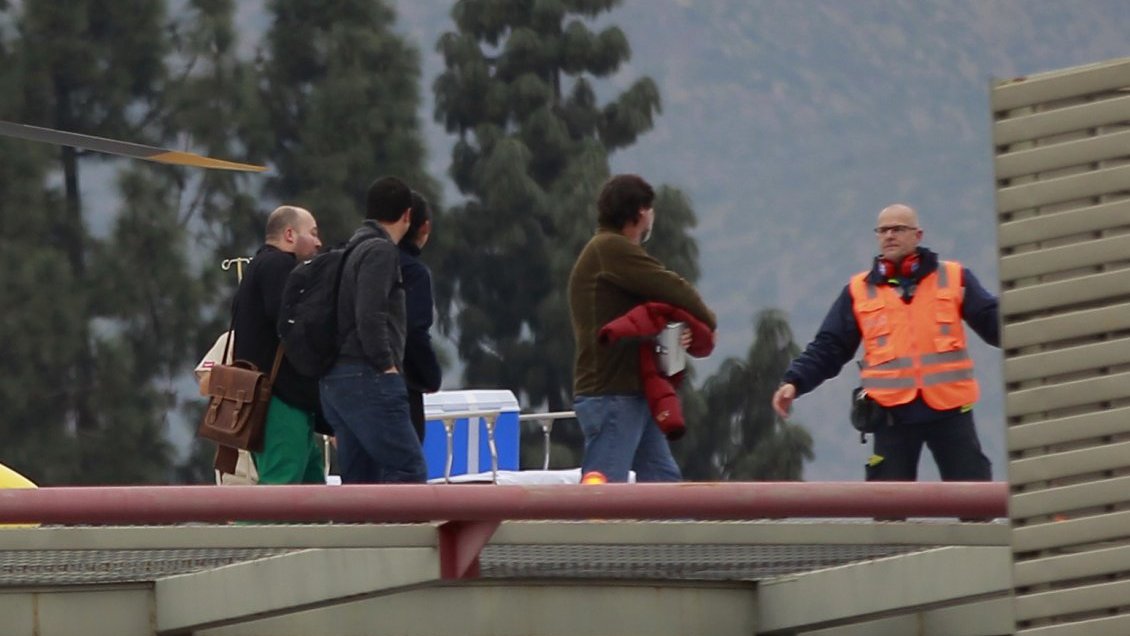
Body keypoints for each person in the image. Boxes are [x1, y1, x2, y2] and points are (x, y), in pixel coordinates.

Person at [771, 203, 998, 482]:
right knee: (889, 509)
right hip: (892, 416)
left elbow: (995, 323)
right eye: (883, 230)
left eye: (898, 229)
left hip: (950, 411)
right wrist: (795, 382)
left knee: (973, 500)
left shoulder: (953, 278)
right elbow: (830, 346)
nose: (890, 235)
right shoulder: (859, 290)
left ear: (918, 235)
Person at [567, 174, 717, 483]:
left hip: (632, 393)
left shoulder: (607, 250)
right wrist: (705, 321)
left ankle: (678, 534)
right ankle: (590, 535)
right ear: (639, 213)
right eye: (649, 209)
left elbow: (644, 315)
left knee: (663, 484)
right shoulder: (611, 249)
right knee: (604, 494)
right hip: (612, 395)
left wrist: (676, 331)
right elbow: (670, 286)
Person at [319, 176, 426, 484]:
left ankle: (362, 533)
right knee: (409, 469)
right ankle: (401, 534)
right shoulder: (380, 252)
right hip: (368, 376)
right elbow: (371, 315)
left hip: (336, 380)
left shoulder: (351, 248)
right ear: (407, 215)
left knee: (361, 483)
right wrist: (387, 366)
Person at [232, 205, 326, 484]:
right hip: (281, 401)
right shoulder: (280, 267)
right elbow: (293, 326)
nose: (319, 242)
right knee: (279, 496)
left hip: (272, 400)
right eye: (313, 233)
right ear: (289, 234)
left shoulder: (257, 267)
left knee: (313, 497)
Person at [398, 191, 443, 441]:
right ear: (425, 227)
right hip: (402, 387)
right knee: (407, 471)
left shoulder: (358, 258)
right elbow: (414, 330)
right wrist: (430, 375)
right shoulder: (414, 272)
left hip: (347, 388)